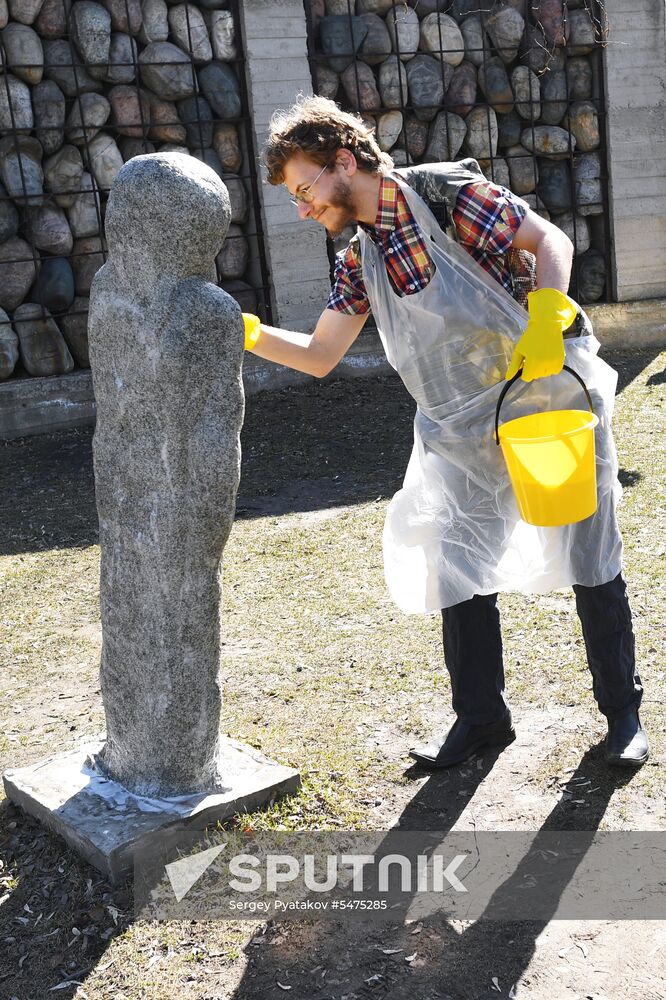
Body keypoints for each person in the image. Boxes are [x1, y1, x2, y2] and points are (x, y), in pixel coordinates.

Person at [242, 95, 648, 770]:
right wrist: (247, 334)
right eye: (296, 197)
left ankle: (622, 716)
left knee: (590, 547)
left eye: (306, 188)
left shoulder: (447, 195)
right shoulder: (358, 260)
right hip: (460, 428)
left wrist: (547, 318)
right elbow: (319, 356)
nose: (303, 207)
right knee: (457, 566)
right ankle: (481, 721)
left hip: (543, 395)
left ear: (345, 162)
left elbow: (549, 239)